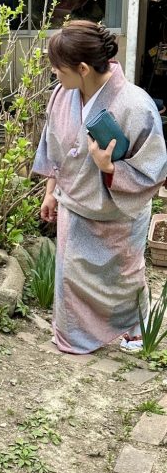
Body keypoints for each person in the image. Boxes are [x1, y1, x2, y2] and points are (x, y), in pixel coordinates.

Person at [33, 21, 167, 355]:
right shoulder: (63, 96)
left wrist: (109, 168)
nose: (54, 73)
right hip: (74, 206)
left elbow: (153, 170)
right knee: (71, 278)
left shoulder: (135, 105)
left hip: (118, 213)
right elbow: (54, 148)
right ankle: (73, 336)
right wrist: (51, 190)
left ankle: (134, 330)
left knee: (122, 279)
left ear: (82, 68)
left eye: (58, 68)